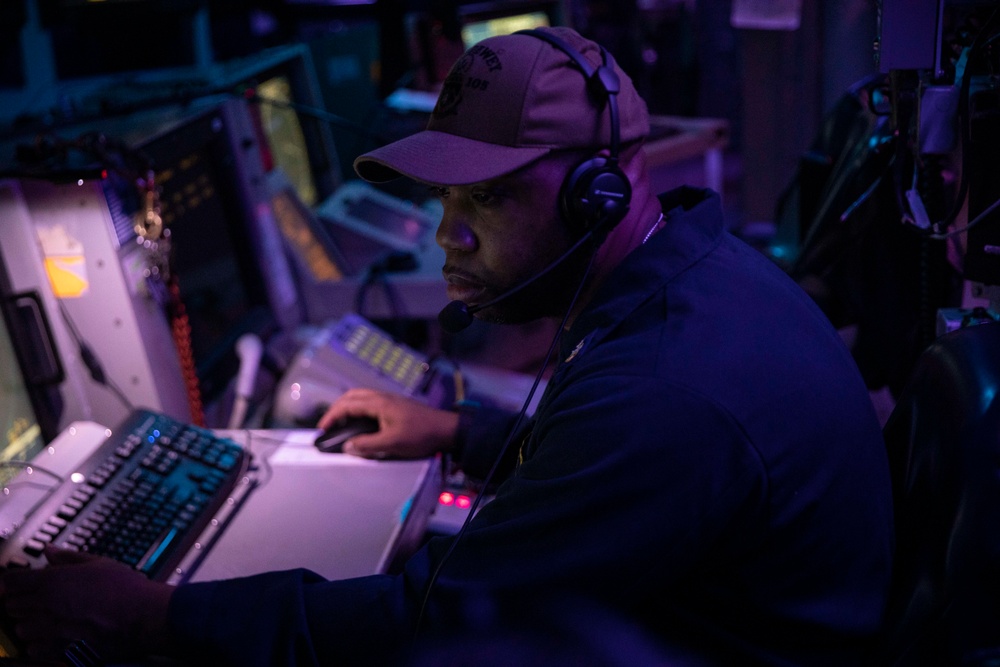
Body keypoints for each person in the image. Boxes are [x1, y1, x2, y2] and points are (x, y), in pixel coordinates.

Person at [0, 26, 893, 666]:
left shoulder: (664, 390)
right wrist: (455, 428)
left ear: (600, 194)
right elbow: (592, 468)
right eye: (445, 199)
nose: (447, 236)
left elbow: (437, 622)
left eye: (489, 199)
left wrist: (158, 617)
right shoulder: (688, 279)